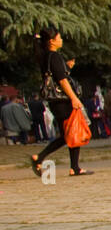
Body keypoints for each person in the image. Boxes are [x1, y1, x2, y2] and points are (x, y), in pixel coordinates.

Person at [28, 28, 92, 176]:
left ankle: (42, 158)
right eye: (59, 37)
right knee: (74, 129)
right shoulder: (54, 56)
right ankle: (73, 167)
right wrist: (74, 98)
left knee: (67, 134)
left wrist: (67, 67)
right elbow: (62, 81)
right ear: (51, 41)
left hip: (55, 102)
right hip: (63, 101)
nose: (61, 40)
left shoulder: (45, 57)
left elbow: (57, 76)